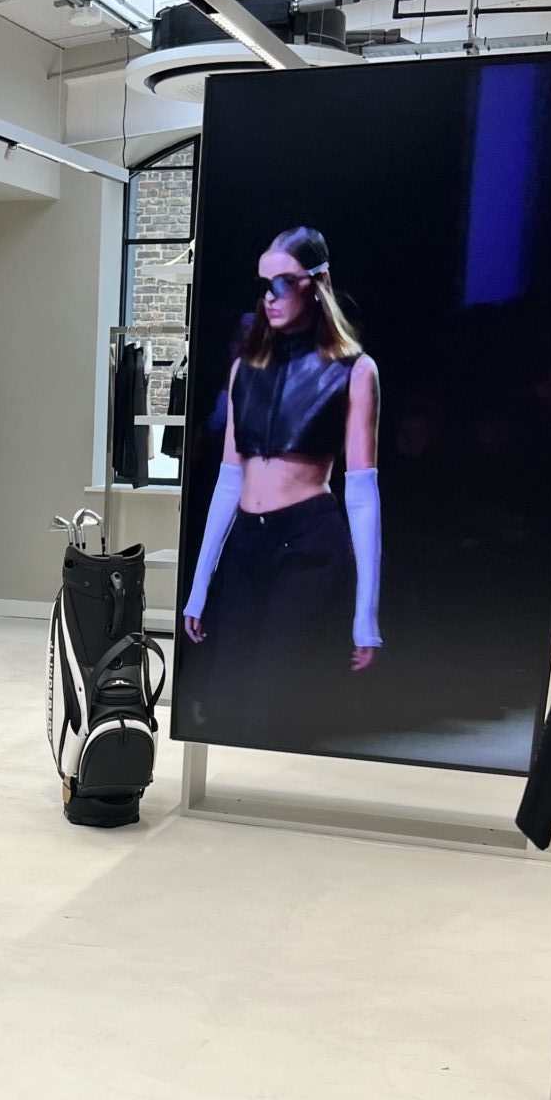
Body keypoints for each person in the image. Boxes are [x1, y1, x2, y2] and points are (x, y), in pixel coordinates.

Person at [181, 226, 381, 745]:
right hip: (248, 540)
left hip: (309, 541)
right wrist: (199, 587)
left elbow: (361, 492)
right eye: (264, 283)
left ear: (317, 283)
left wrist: (366, 612)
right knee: (224, 695)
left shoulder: (355, 372)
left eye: (283, 283)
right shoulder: (244, 369)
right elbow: (229, 480)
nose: (269, 297)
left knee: (273, 698)